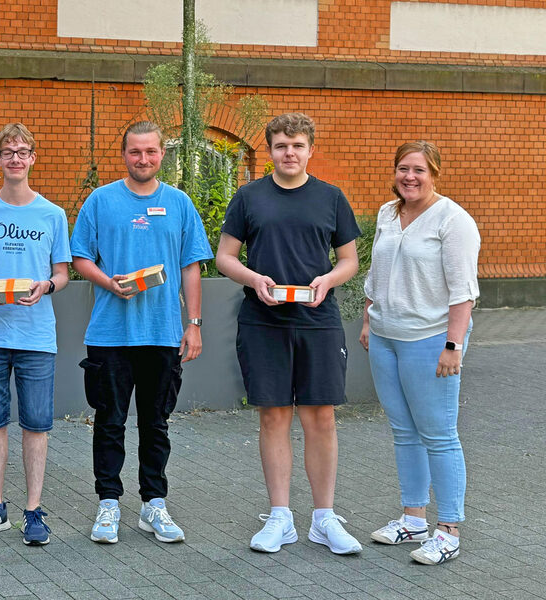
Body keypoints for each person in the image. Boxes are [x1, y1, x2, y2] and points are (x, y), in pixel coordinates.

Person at [215, 112, 363, 555]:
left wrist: (328, 281)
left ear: (310, 149)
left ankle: (323, 518)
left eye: (297, 145)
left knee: (320, 416)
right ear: (270, 151)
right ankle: (281, 517)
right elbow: (224, 257)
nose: (289, 153)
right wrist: (254, 278)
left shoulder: (331, 198)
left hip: (318, 320)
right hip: (263, 321)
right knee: (273, 415)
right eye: (281, 146)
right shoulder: (249, 197)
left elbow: (349, 261)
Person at [72, 121, 211, 545]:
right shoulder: (101, 200)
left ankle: (154, 504)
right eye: (135, 152)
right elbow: (80, 257)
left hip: (163, 333)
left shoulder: (180, 203)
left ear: (161, 155)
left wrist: (195, 324)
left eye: (151, 152)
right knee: (108, 422)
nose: (143, 159)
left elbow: (192, 266)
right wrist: (108, 281)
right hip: (111, 334)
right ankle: (109, 503)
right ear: (124, 154)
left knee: (156, 423)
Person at [361, 141, 480, 565]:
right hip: (386, 338)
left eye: (419, 170)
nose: (410, 177)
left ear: (435, 174)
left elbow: (463, 291)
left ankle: (448, 529)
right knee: (404, 432)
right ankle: (413, 519)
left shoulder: (453, 221)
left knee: (440, 436)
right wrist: (368, 318)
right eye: (403, 169)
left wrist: (454, 345)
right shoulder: (388, 214)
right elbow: (378, 273)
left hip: (429, 341)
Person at [0, 123, 71, 546]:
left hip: (37, 335)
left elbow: (63, 274)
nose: (16, 158)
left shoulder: (52, 214)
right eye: (8, 152)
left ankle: (34, 511)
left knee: (37, 424)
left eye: (23, 151)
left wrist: (47, 287)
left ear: (33, 159)